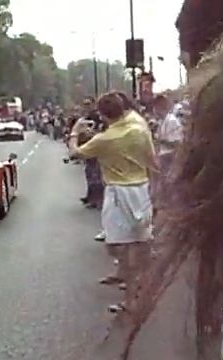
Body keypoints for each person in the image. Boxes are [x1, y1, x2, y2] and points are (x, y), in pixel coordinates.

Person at [68, 93, 158, 314]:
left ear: (102, 114)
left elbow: (75, 153)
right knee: (140, 241)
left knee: (118, 245)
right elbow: (152, 160)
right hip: (141, 188)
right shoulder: (139, 125)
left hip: (119, 193)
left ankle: (131, 297)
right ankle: (137, 284)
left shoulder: (104, 140)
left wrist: (75, 133)